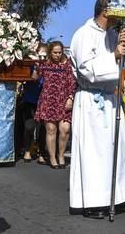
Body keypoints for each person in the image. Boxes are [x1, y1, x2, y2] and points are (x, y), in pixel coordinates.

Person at [69, 0, 125, 219]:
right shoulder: (83, 34)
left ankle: (116, 195)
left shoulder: (113, 34)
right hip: (91, 101)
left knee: (117, 149)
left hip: (112, 99)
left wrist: (123, 49)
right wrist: (114, 55)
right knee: (94, 153)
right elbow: (86, 69)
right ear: (106, 9)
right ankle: (93, 201)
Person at [32, 41, 76, 169]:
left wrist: (70, 98)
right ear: (50, 53)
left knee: (65, 129)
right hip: (48, 100)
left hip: (64, 100)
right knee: (51, 130)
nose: (57, 55)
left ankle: (61, 155)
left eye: (60, 52)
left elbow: (73, 83)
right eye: (55, 52)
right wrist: (36, 67)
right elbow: (34, 78)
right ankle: (52, 158)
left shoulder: (68, 65)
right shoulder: (45, 65)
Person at [20, 44, 47, 164]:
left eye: (44, 56)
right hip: (30, 100)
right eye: (39, 55)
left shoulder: (49, 67)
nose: (41, 58)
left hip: (44, 101)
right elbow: (34, 78)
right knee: (29, 126)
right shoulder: (30, 66)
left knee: (43, 128)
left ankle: (41, 152)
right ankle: (27, 150)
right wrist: (36, 68)